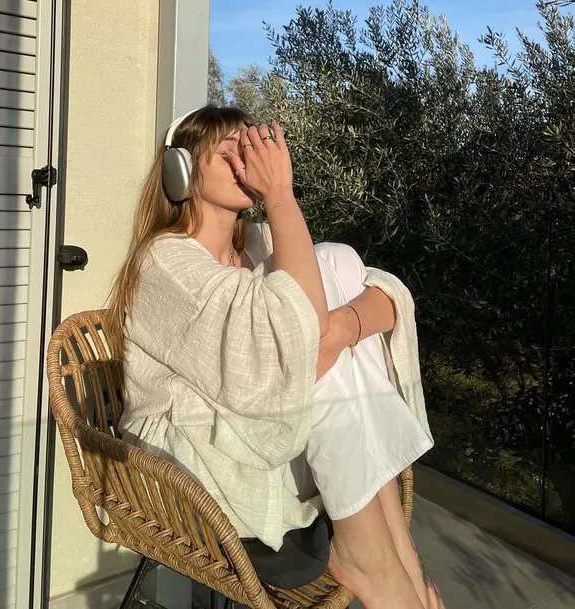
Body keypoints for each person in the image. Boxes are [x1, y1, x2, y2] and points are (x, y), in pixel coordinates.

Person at [110, 104, 444, 609]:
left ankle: (397, 559)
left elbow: (387, 294)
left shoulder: (261, 243)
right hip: (205, 450)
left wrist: (340, 330)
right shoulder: (166, 259)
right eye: (230, 151)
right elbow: (286, 344)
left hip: (279, 429)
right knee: (307, 324)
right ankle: (384, 563)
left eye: (251, 148)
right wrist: (281, 197)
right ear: (182, 171)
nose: (247, 161)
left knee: (334, 265)